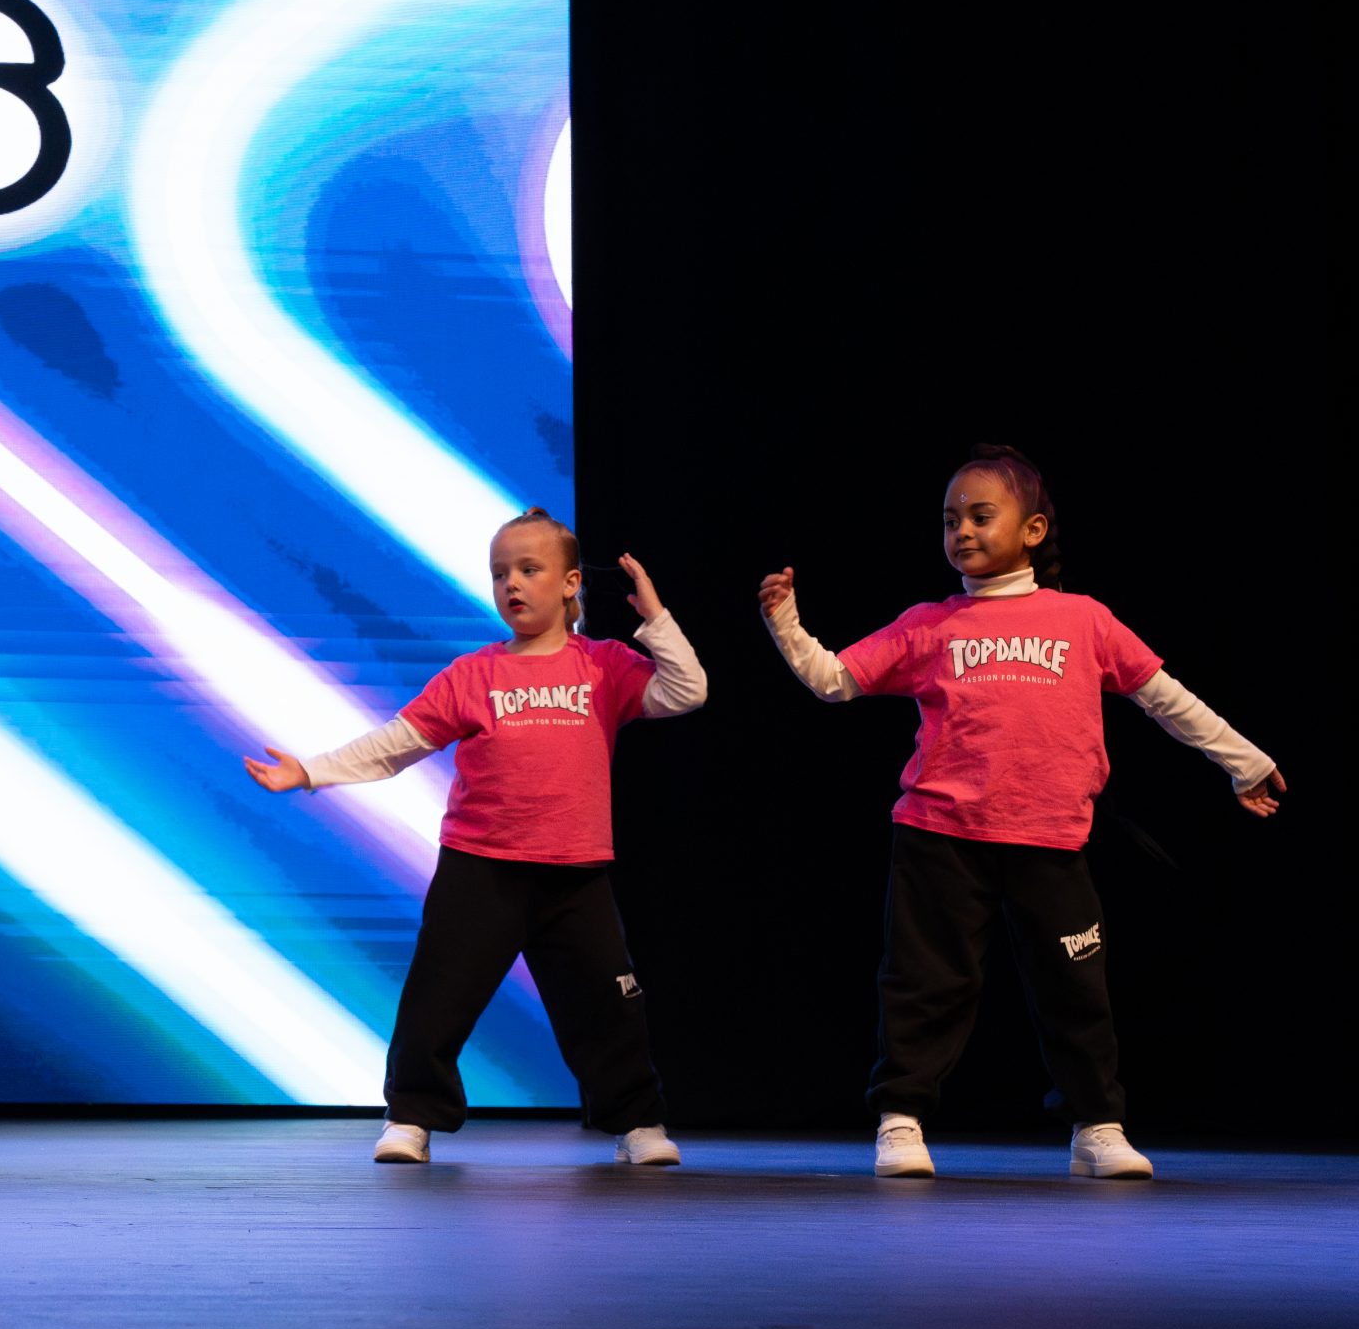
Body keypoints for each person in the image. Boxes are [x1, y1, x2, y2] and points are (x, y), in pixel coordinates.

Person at [760, 444, 1283, 1179]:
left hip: (1050, 837)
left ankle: (1098, 1124)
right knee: (924, 983)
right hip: (940, 836)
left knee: (1076, 988)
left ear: (1033, 530)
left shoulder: (1083, 619)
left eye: (981, 516)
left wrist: (1245, 762)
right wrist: (785, 620)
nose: (962, 532)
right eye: (951, 521)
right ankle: (901, 1119)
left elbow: (1166, 698)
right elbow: (834, 679)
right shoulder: (930, 623)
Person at [246, 508, 707, 1165]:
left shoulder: (604, 665)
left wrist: (654, 617)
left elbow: (688, 690)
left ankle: (637, 1124)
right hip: (481, 868)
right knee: (436, 999)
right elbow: (398, 742)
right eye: (499, 573)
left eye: (529, 569)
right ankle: (411, 1117)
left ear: (571, 582)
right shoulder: (474, 674)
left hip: (574, 872)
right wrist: (312, 770)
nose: (511, 583)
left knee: (610, 1009)